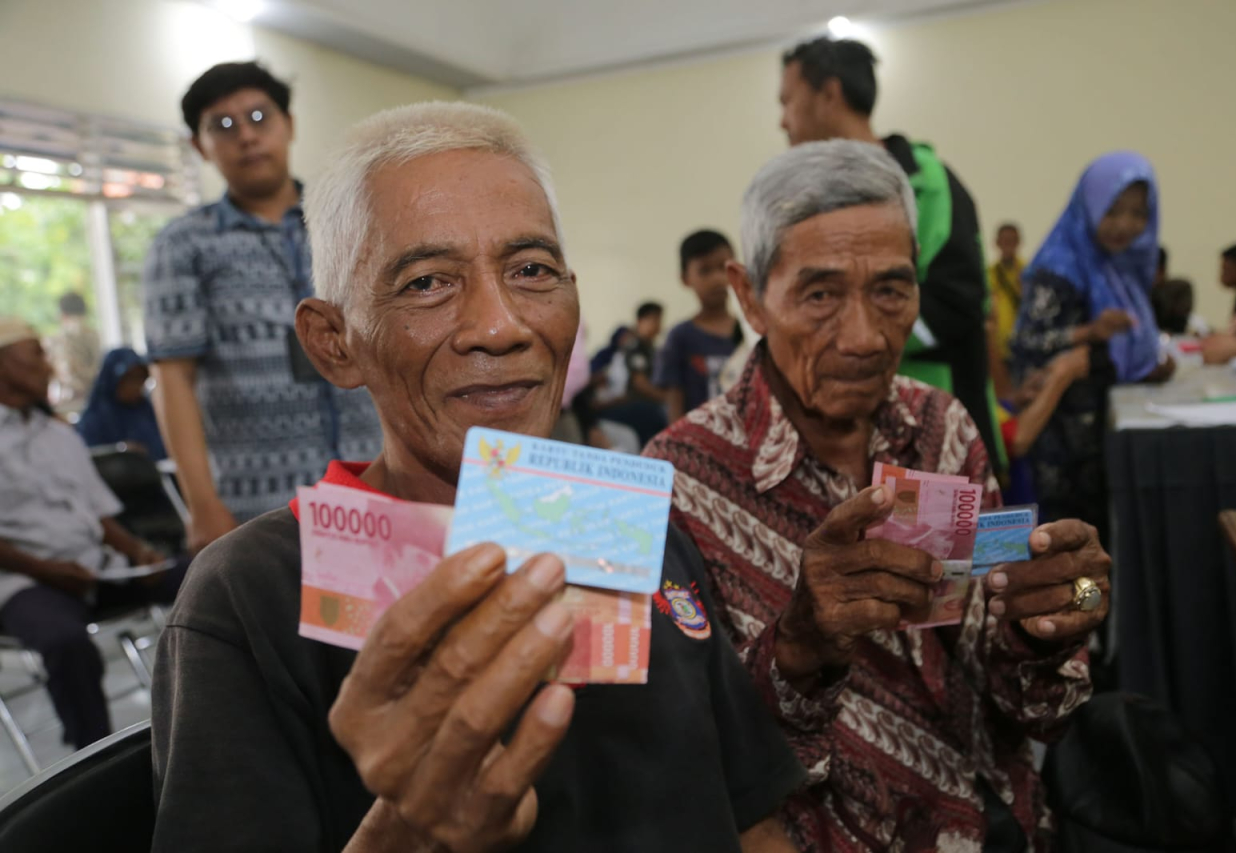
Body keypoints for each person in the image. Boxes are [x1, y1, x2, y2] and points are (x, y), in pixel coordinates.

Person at [149, 102, 804, 853]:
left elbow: (752, 819)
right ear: (335, 343)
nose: (500, 324)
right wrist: (408, 834)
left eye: (531, 271)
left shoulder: (634, 525)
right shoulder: (251, 596)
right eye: (428, 281)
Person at [646, 140, 1111, 851]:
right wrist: (800, 644)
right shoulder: (680, 482)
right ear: (750, 297)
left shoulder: (942, 429)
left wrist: (1057, 619)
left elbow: (1033, 706)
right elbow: (684, 760)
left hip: (1010, 823)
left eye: (891, 290)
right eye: (821, 293)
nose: (865, 338)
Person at [143, 61, 382, 552]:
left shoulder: (349, 221)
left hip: (374, 478)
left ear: (288, 124)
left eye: (259, 117)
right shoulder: (184, 245)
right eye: (223, 126)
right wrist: (202, 502)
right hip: (257, 500)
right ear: (199, 146)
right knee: (275, 629)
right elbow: (174, 379)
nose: (247, 137)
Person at [778, 37, 1004, 475]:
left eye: (788, 100)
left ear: (829, 94)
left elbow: (957, 304)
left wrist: (853, 344)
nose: (781, 120)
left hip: (935, 433)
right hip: (843, 436)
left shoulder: (927, 183)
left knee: (942, 543)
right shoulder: (801, 197)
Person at [0, 318, 182, 750]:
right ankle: (92, 758)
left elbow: (99, 517)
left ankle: (214, 713)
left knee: (209, 573)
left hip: (95, 570)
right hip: (25, 582)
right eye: (36, 354)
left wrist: (138, 552)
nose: (48, 365)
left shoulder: (58, 435)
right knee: (66, 642)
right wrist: (49, 571)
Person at [1012, 152, 1173, 540]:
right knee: (1067, 544)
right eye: (1113, 210)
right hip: (1062, 437)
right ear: (1091, 204)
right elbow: (1025, 342)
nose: (1126, 225)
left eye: (1138, 213)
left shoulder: (1118, 262)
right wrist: (1087, 333)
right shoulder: (1059, 266)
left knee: (1099, 545)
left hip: (1098, 429)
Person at [654, 230, 743, 423]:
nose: (717, 278)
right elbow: (674, 401)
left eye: (723, 267)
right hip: (698, 443)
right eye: (705, 271)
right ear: (685, 279)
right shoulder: (680, 336)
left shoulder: (750, 332)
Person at [596, 301, 667, 446]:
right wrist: (667, 398)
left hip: (635, 403)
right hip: (624, 402)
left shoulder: (650, 348)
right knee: (656, 416)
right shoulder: (635, 346)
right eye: (655, 320)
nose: (659, 326)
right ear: (642, 320)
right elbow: (639, 384)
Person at [76, 347, 168, 459]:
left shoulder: (147, 411)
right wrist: (119, 452)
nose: (136, 386)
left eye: (141, 378)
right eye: (130, 379)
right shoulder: (93, 419)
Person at [47, 291, 100, 411]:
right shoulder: (94, 335)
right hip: (95, 396)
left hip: (70, 400)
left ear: (62, 313)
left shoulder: (58, 338)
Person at [988, 222, 1025, 366]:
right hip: (999, 348)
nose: (1008, 244)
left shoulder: (1028, 273)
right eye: (1004, 240)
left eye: (1012, 240)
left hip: (1023, 345)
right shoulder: (989, 275)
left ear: (1018, 242)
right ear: (997, 243)